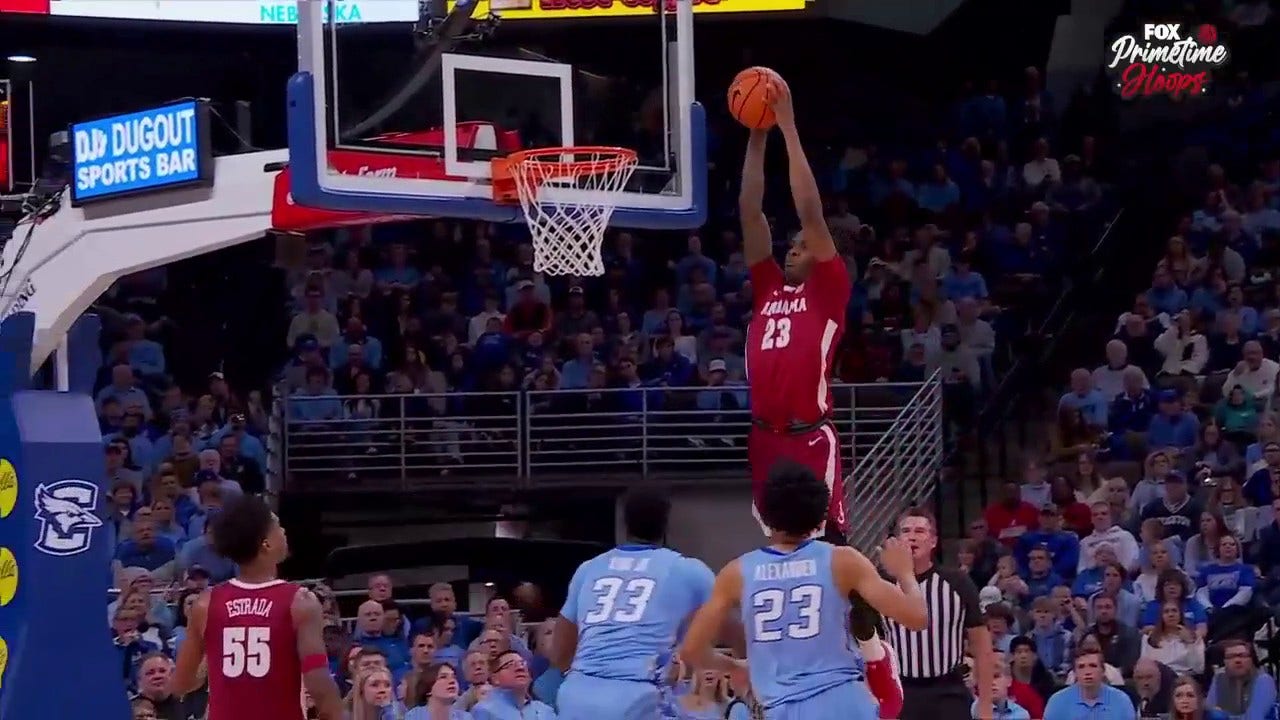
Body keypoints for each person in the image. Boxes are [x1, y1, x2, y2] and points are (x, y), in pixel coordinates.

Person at [678, 461, 926, 720]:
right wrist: (906, 574)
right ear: (820, 515)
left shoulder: (737, 572)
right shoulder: (842, 561)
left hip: (781, 709)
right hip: (842, 703)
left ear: (765, 514)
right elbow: (917, 618)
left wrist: (734, 666)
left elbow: (691, 650)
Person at [739, 74, 851, 542]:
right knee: (777, 546)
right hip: (764, 436)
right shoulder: (767, 287)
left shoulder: (827, 290)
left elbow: (809, 211)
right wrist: (757, 134)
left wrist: (787, 127)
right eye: (792, 246)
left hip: (809, 436)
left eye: (803, 247)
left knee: (826, 546)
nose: (792, 249)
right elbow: (749, 210)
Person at [172, 495, 343, 720]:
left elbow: (182, 682)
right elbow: (318, 682)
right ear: (267, 543)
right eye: (278, 526)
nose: (284, 531)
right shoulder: (300, 601)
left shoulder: (206, 602)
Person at [550, 488, 715, 720]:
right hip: (638, 694)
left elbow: (559, 655)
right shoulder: (687, 569)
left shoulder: (588, 569)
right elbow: (733, 631)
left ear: (624, 523)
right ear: (665, 523)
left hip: (578, 695)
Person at [889, 509, 995, 720]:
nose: (912, 536)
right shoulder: (882, 584)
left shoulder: (957, 582)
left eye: (920, 531)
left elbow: (982, 648)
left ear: (933, 541)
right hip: (901, 690)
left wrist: (985, 707)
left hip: (948, 690)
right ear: (897, 539)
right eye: (906, 531)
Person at [1042, 651, 1134, 720]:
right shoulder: (1057, 701)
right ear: (1074, 673)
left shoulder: (1121, 700)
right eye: (1081, 667)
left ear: (1103, 671)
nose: (1087, 672)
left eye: (1093, 666)